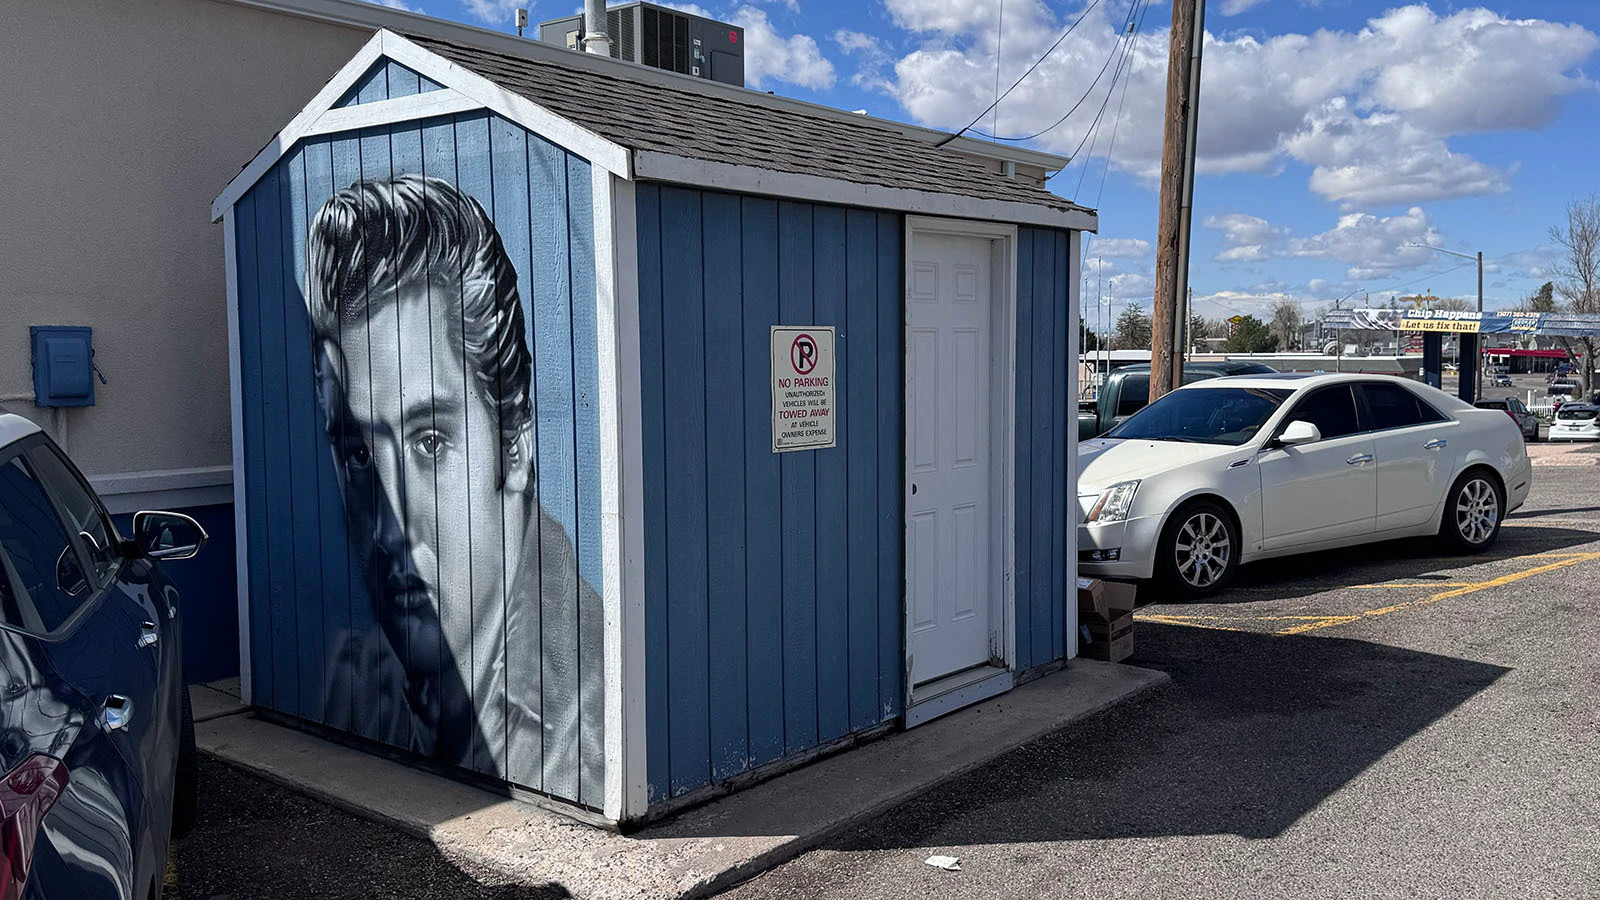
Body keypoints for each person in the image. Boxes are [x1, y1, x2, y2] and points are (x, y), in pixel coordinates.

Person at [306, 173, 600, 793]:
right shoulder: (354, 677)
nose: (390, 525)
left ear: (514, 445)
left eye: (430, 442)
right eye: (359, 455)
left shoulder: (592, 731)